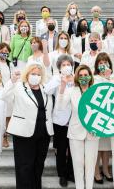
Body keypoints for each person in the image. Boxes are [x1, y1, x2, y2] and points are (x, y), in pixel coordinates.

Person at [1, 62, 54, 189]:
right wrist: (11, 81)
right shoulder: (19, 87)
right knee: (24, 166)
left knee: (38, 164)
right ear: (27, 74)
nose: (36, 76)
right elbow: (3, 96)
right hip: (23, 133)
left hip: (43, 133)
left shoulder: (45, 88)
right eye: (33, 73)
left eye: (38, 74)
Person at [57, 65, 98, 189]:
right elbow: (60, 107)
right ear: (77, 77)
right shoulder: (72, 91)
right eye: (81, 75)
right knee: (78, 164)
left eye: (86, 75)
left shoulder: (97, 91)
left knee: (90, 165)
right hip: (75, 133)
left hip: (93, 133)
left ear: (90, 76)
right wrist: (62, 87)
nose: (84, 77)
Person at [44, 55, 75, 187]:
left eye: (69, 65)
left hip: (74, 119)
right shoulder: (56, 78)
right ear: (59, 67)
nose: (67, 67)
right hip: (60, 120)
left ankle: (71, 173)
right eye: (64, 65)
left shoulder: (76, 78)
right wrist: (60, 80)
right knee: (61, 149)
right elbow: (47, 90)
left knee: (73, 149)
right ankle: (62, 174)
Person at [92, 53, 114, 184]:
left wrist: (109, 78)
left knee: (106, 147)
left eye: (105, 62)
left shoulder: (113, 78)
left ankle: (106, 170)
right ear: (96, 65)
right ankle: (96, 172)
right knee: (97, 147)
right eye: (100, 63)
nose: (103, 65)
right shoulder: (94, 78)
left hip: (109, 116)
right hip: (97, 116)